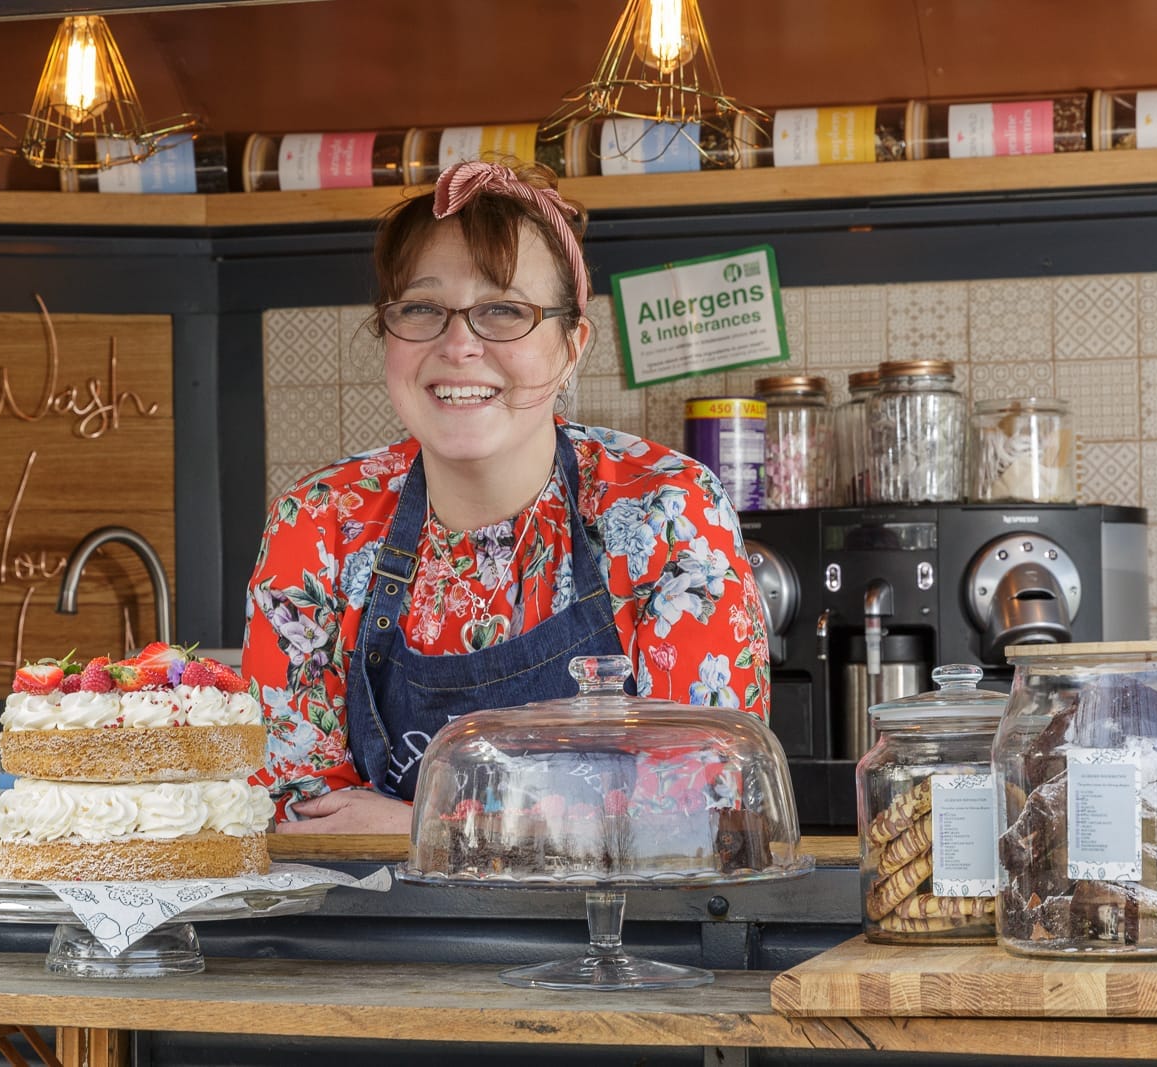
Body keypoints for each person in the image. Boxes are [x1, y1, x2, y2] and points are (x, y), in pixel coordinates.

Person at [242, 159, 770, 834]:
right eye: (422, 309)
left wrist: (427, 828)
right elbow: (300, 809)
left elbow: (709, 806)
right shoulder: (318, 522)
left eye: (503, 310)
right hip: (383, 936)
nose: (459, 343)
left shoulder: (669, 513)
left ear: (572, 345)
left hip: (629, 934)